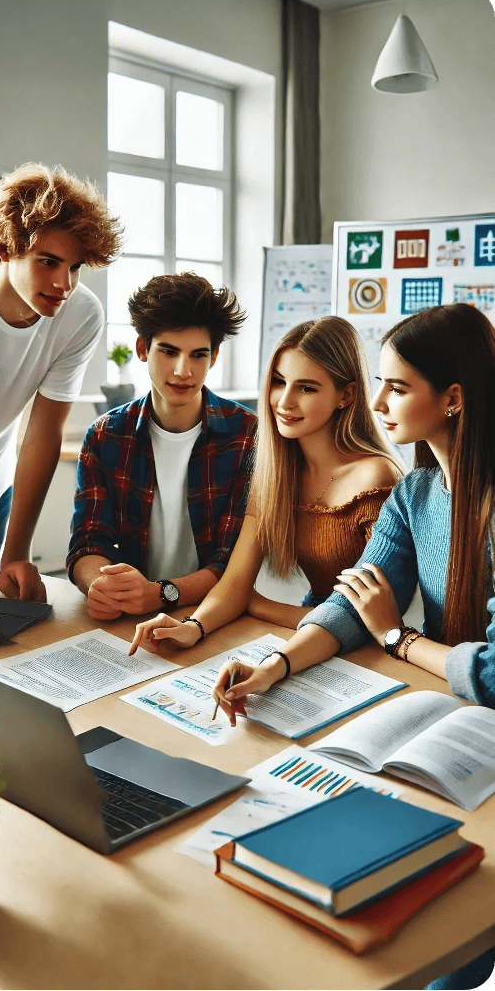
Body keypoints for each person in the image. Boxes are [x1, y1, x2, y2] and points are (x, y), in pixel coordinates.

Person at [214, 302, 495, 991]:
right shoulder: (418, 491)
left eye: (397, 387)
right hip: (454, 711)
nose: (377, 403)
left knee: (450, 948)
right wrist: (275, 665)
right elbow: (350, 603)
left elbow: (491, 671)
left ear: (453, 398)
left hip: (478, 713)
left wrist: (398, 638)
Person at [129, 315, 402, 655]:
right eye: (278, 382)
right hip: (308, 628)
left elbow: (372, 619)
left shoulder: (375, 477)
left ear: (345, 395)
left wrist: (257, 605)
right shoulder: (276, 472)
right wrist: (192, 627)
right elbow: (236, 580)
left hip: (365, 647)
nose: (284, 402)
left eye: (306, 388)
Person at [0, 162, 122, 601]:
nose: (63, 283)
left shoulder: (81, 316)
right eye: (48, 262)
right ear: (5, 249)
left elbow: (43, 435)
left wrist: (17, 553)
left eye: (75, 267)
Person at [66, 271, 257, 620]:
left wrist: (162, 594)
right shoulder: (106, 436)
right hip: (131, 613)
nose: (183, 370)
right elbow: (88, 540)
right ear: (143, 349)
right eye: (169, 351)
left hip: (215, 613)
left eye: (198, 355)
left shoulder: (247, 436)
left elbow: (232, 563)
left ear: (214, 357)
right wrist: (99, 585)